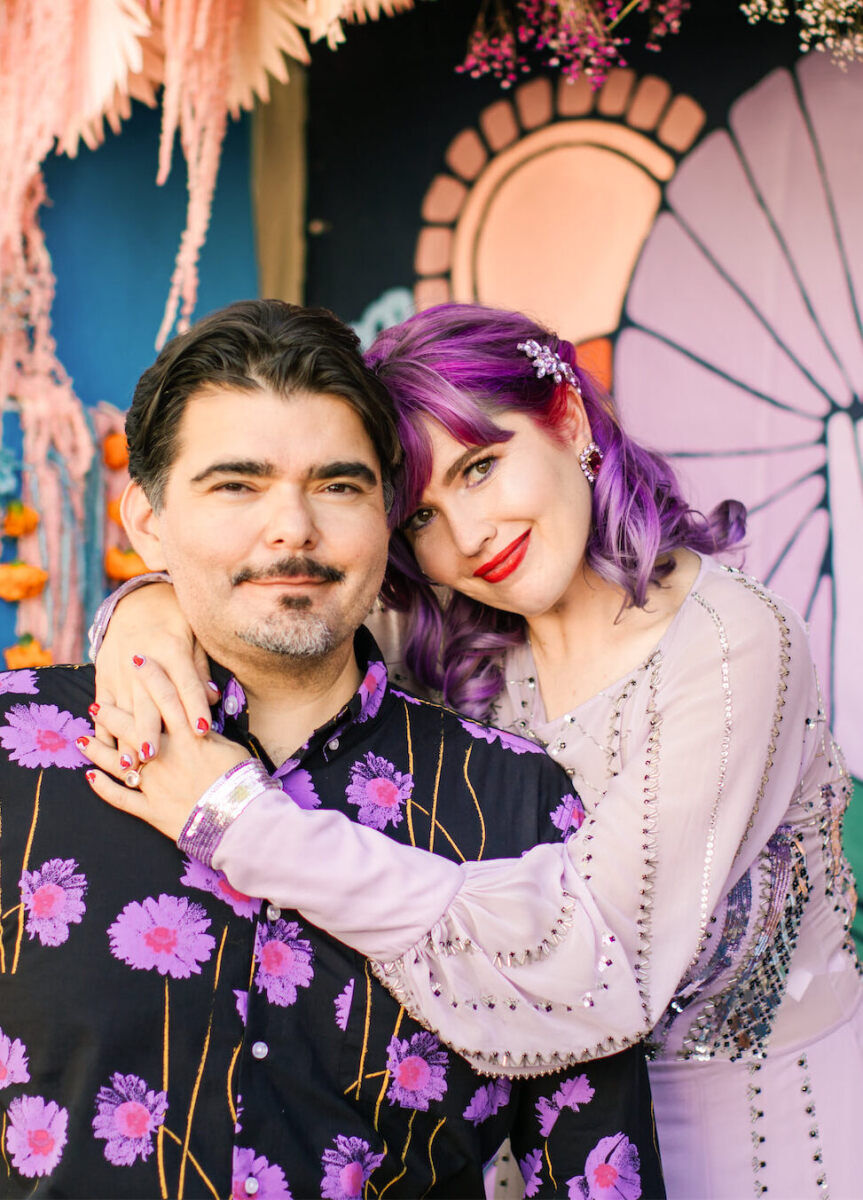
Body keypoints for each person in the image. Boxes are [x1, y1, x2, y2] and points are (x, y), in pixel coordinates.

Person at [89, 303, 862, 1200]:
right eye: (420, 514)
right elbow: (266, 608)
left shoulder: (729, 645)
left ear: (566, 419)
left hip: (765, 1143)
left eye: (481, 468)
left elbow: (593, 964)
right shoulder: (447, 631)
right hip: (514, 1151)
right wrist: (144, 614)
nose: (467, 537)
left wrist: (245, 826)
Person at [0, 299, 664, 1199]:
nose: (293, 528)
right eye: (236, 485)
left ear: (388, 516)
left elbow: (598, 1170)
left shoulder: (516, 804)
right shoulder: (19, 752)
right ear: (147, 522)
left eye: (338, 486)